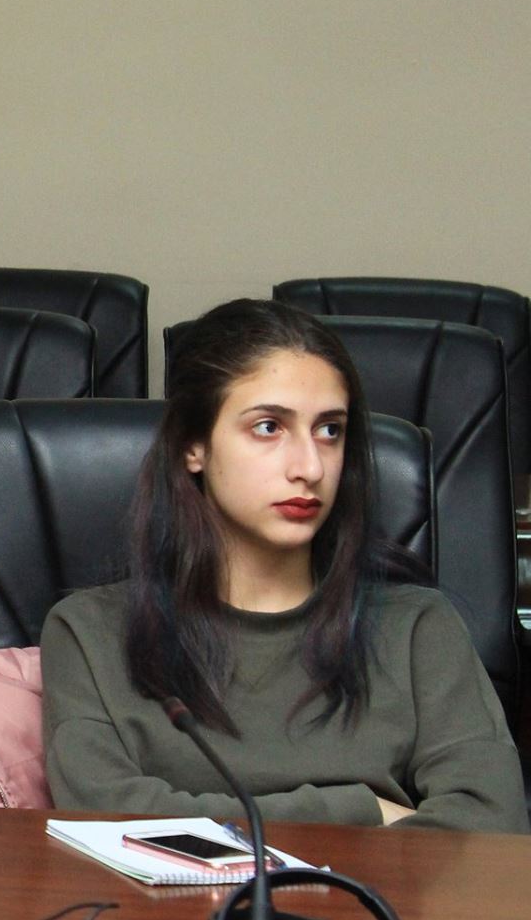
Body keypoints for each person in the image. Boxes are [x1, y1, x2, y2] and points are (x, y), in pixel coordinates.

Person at [42, 299, 527, 832]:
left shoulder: (418, 627)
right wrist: (362, 810)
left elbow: (494, 824)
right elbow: (106, 819)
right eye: (269, 427)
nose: (310, 467)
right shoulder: (89, 632)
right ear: (192, 446)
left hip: (374, 890)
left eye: (330, 430)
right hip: (163, 893)